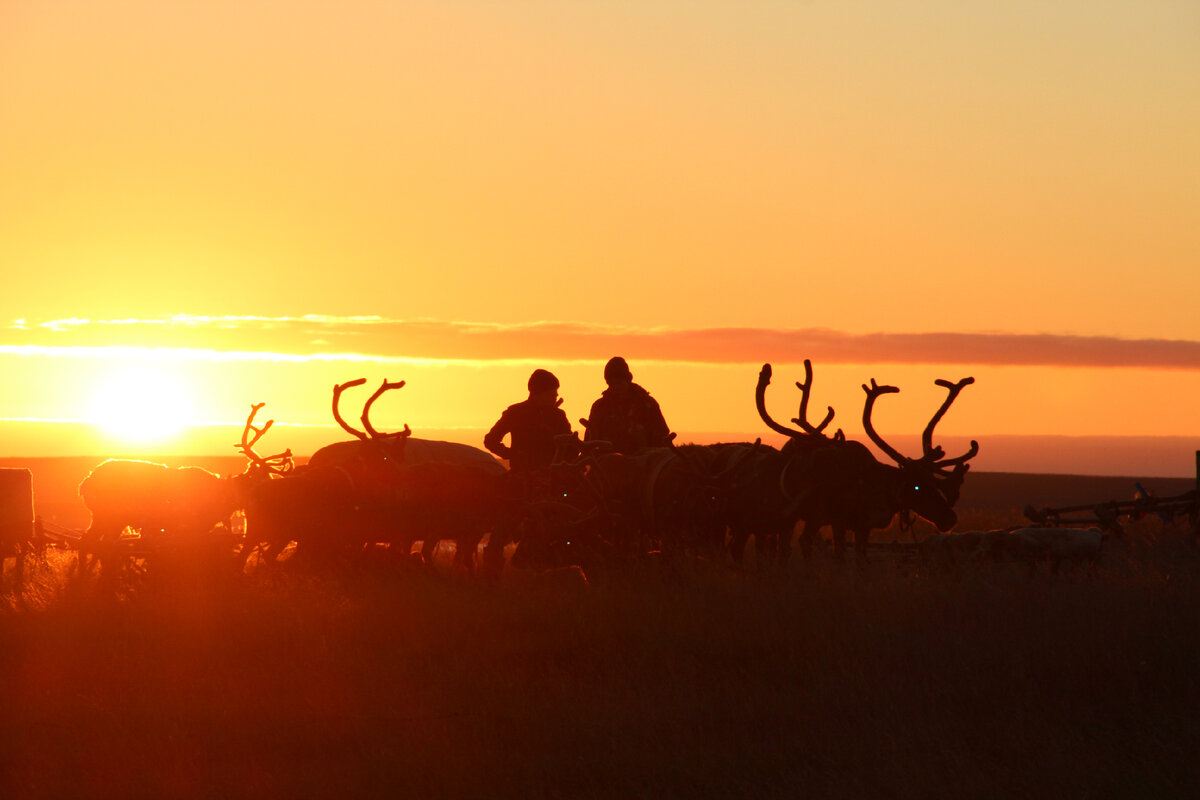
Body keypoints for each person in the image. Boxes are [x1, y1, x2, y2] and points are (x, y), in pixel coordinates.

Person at [483, 369, 572, 474]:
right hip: (522, 478)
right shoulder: (515, 413)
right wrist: (513, 454)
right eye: (551, 393)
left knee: (567, 491)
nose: (556, 395)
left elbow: (571, 446)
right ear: (539, 393)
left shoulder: (558, 415)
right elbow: (490, 440)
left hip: (553, 478)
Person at [582, 357, 673, 453]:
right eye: (611, 383)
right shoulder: (599, 407)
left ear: (628, 380)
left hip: (643, 461)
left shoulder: (648, 405)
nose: (615, 387)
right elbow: (589, 440)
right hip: (608, 463)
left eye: (619, 382)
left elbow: (663, 435)